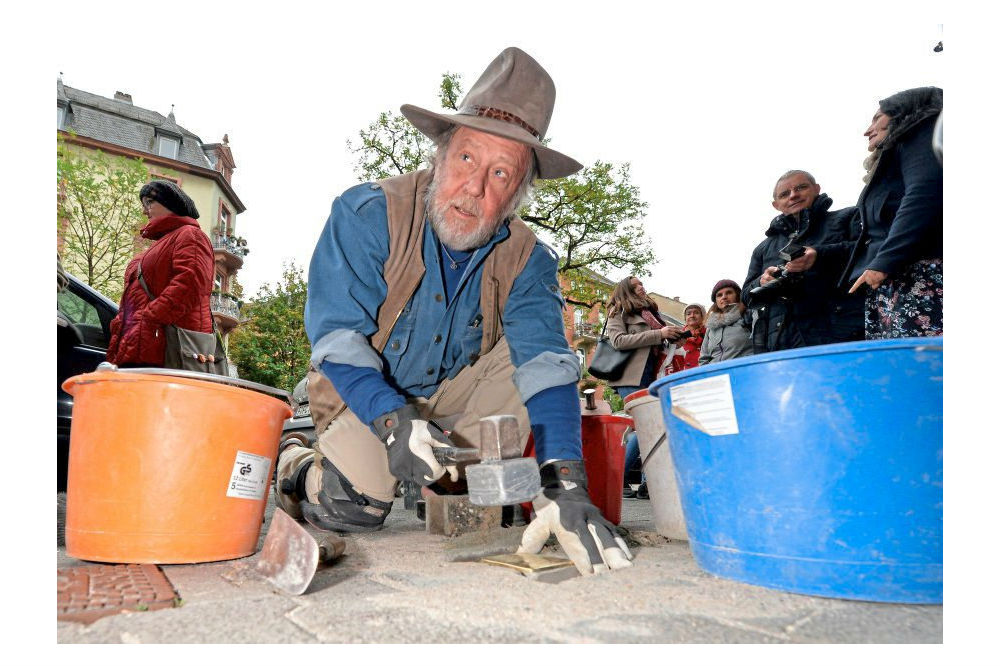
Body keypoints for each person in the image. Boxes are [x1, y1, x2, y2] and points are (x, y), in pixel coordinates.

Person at [276, 47, 633, 576]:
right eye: (467, 159)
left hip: (459, 397)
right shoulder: (367, 213)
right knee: (356, 508)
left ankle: (453, 487)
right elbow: (338, 337)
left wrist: (565, 483)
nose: (474, 188)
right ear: (439, 155)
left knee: (478, 507)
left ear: (517, 193)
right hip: (365, 393)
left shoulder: (530, 259)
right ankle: (293, 461)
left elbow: (546, 364)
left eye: (501, 174)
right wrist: (397, 424)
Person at [844, 87, 943, 338]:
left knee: (926, 367)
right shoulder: (889, 162)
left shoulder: (921, 129)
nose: (868, 130)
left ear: (903, 112)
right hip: (891, 282)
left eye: (877, 117)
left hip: (920, 276)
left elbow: (923, 194)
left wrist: (883, 262)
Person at [742, 170, 863, 353]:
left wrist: (819, 255)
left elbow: (869, 252)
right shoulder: (763, 248)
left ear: (816, 189)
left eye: (801, 187)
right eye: (784, 194)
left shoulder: (848, 217)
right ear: (776, 205)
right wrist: (762, 281)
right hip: (781, 343)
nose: (793, 195)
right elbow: (745, 296)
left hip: (841, 335)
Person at [105, 180, 214, 368]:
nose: (144, 210)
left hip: (167, 351)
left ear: (169, 203)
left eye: (149, 202)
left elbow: (191, 283)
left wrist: (150, 317)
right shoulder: (160, 245)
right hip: (145, 348)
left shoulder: (190, 235)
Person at [604, 276, 683, 499]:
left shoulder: (649, 313)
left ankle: (646, 485)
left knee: (653, 428)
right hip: (630, 377)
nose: (641, 287)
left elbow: (655, 342)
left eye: (641, 284)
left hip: (652, 374)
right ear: (626, 291)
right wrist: (659, 334)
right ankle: (617, 478)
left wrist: (673, 337)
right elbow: (618, 341)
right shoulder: (618, 311)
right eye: (635, 285)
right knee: (644, 427)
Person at [700, 280, 753, 365]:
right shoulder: (710, 327)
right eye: (719, 295)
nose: (724, 297)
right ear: (716, 301)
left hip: (744, 371)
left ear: (738, 295)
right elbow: (703, 359)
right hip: (717, 376)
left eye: (729, 293)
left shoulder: (749, 315)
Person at [666, 303, 706, 374]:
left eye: (696, 313)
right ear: (685, 318)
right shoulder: (677, 335)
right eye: (688, 314)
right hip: (682, 375)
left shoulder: (709, 333)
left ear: (702, 317)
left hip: (703, 373)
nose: (692, 316)